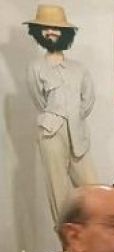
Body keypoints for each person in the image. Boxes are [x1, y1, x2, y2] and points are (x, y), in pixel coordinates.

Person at [25, 5, 99, 225]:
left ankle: (94, 237)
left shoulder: (79, 69)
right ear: (38, 32)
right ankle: (66, 240)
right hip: (50, 134)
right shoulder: (35, 67)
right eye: (45, 28)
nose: (50, 32)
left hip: (78, 136)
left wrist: (73, 118)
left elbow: (88, 100)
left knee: (94, 192)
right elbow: (40, 101)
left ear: (65, 32)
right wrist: (55, 118)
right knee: (59, 195)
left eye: (56, 28)